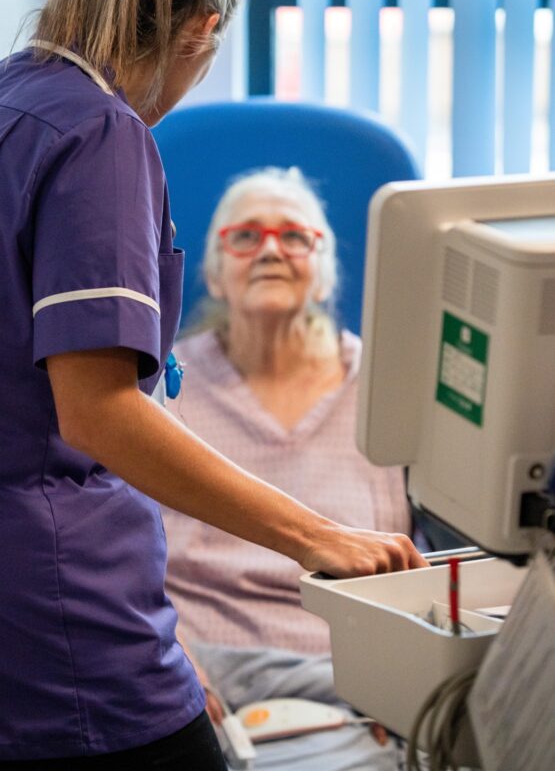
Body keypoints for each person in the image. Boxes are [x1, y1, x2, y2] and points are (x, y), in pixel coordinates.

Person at [0, 0, 425, 771]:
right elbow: (97, 412)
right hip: (58, 615)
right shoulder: (99, 134)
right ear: (203, 27)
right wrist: (315, 536)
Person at [162, 167, 414, 769]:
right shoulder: (158, 387)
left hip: (349, 672)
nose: (271, 249)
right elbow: (109, 539)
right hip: (198, 670)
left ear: (324, 270)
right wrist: (162, 652)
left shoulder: (386, 387)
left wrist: (404, 677)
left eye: (294, 236)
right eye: (245, 236)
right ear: (214, 276)